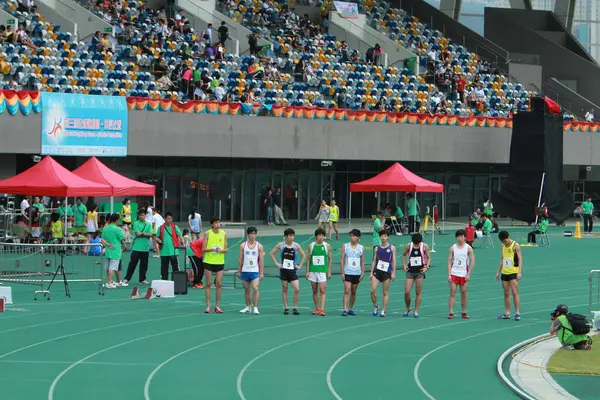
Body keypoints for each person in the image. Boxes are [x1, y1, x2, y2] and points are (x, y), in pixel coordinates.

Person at [270, 228, 306, 315]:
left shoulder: (296, 246)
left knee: (296, 289)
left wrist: (299, 266)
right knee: (285, 289)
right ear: (286, 236)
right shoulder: (280, 245)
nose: (292, 237)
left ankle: (295, 307)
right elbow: (271, 253)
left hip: (293, 270)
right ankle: (286, 307)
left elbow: (303, 255)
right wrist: (277, 263)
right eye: (290, 236)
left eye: (293, 236)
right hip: (284, 270)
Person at [447, 229, 475, 319]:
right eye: (458, 236)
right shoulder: (452, 248)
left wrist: (469, 274)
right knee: (452, 292)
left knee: (463, 293)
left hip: (464, 273)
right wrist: (449, 274)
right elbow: (449, 261)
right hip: (454, 273)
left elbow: (472, 261)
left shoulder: (468, 248)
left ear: (465, 237)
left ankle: (464, 312)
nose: (460, 238)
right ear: (456, 237)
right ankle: (451, 312)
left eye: (462, 236)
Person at [203, 217, 228, 313]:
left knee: (219, 283)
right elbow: (203, 248)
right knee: (208, 283)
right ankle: (208, 306)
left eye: (219, 223)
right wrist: (212, 249)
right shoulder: (207, 233)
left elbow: (226, 249)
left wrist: (221, 250)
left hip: (219, 261)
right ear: (212, 224)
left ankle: (217, 306)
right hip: (209, 261)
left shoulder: (224, 234)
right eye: (216, 223)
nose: (218, 224)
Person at [402, 233, 430, 318]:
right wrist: (404, 265)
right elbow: (403, 255)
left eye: (417, 243)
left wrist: (426, 267)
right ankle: (408, 308)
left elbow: (429, 257)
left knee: (418, 291)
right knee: (407, 291)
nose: (416, 245)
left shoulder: (424, 247)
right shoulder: (408, 246)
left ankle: (416, 311)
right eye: (415, 243)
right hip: (410, 271)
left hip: (420, 271)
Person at [496, 230, 523, 320]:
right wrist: (498, 272)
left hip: (513, 272)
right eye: (503, 241)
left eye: (505, 240)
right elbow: (502, 259)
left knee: (515, 292)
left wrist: (519, 272)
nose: (505, 242)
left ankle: (517, 313)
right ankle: (507, 313)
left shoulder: (515, 245)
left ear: (508, 237)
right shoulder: (502, 246)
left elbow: (520, 259)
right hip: (505, 272)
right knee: (506, 293)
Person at [237, 226, 264, 315]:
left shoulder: (259, 246)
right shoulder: (243, 245)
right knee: (247, 289)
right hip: (245, 270)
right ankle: (248, 306)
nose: (252, 235)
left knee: (255, 288)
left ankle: (255, 307)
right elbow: (240, 259)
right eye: (251, 234)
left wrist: (261, 273)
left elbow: (261, 260)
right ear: (248, 235)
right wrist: (239, 271)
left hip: (255, 270)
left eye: (254, 234)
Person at [370, 230, 396, 317]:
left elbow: (393, 260)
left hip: (387, 272)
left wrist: (393, 273)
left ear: (387, 237)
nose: (383, 238)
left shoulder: (392, 248)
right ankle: (375, 305)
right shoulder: (377, 248)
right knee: (372, 290)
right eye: (381, 236)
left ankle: (383, 310)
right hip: (377, 272)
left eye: (385, 236)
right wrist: (371, 272)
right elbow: (374, 260)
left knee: (385, 292)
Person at [123, 209, 153, 285]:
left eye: (142, 215)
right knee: (132, 264)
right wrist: (145, 234)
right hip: (136, 248)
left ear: (145, 215)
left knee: (144, 265)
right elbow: (137, 234)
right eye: (140, 215)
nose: (141, 216)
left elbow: (151, 234)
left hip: (145, 248)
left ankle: (142, 279)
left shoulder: (149, 224)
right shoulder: (136, 223)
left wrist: (142, 233)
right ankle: (126, 279)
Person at [306, 228, 332, 316]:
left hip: (322, 271)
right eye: (319, 235)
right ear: (316, 236)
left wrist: (329, 271)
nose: (320, 237)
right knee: (314, 290)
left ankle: (322, 309)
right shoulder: (311, 245)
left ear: (324, 237)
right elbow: (308, 259)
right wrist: (307, 271)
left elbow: (330, 258)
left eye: (322, 235)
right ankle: (317, 308)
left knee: (322, 289)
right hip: (313, 270)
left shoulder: (326, 246)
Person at [340, 229, 364, 316]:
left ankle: (350, 308)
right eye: (351, 236)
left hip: (357, 272)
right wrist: (342, 272)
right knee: (347, 290)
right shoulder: (345, 246)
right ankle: (345, 309)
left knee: (354, 291)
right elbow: (342, 259)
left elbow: (362, 261)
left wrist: (363, 272)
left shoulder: (361, 248)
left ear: (358, 238)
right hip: (347, 272)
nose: (352, 237)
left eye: (354, 236)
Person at [100, 213, 127, 288]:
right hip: (116, 250)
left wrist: (108, 244)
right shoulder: (118, 229)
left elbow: (102, 239)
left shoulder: (106, 228)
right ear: (117, 220)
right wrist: (126, 232)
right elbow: (124, 238)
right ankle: (109, 282)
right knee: (112, 267)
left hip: (108, 250)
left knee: (109, 267)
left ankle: (110, 281)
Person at [157, 212, 183, 281]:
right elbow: (156, 237)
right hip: (164, 251)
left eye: (170, 219)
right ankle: (164, 281)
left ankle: (176, 282)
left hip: (174, 251)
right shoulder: (161, 228)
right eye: (168, 219)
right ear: (164, 219)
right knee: (164, 268)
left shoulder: (175, 227)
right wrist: (159, 241)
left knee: (175, 268)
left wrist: (183, 243)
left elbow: (180, 236)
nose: (169, 220)